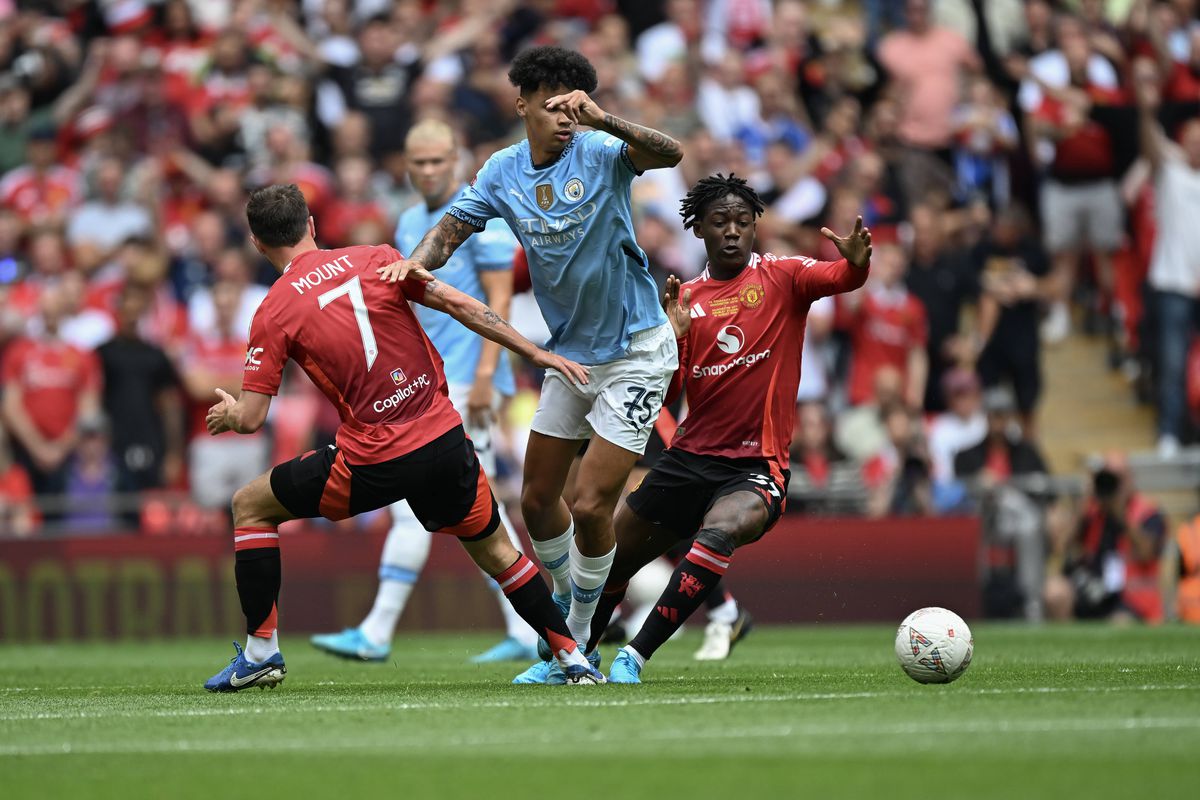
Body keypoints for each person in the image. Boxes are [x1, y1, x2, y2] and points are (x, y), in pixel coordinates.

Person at [202, 184, 602, 691]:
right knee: (501, 553)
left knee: (251, 506)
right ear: (311, 225)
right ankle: (574, 659)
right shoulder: (378, 259)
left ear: (257, 244)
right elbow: (459, 303)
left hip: (373, 461)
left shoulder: (273, 310)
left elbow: (252, 418)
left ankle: (262, 652)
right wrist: (536, 353)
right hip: (444, 440)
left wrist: (229, 414)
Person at [377, 46, 684, 683]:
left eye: (574, 105)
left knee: (591, 506)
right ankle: (572, 609)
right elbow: (450, 230)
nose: (565, 117)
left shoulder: (601, 151)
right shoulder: (501, 171)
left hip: (636, 349)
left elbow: (670, 153)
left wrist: (605, 118)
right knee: (538, 501)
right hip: (569, 353)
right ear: (522, 105)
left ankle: (578, 639)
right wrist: (414, 264)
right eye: (552, 105)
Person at [584, 174, 871, 683]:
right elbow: (668, 395)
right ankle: (573, 657)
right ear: (698, 230)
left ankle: (635, 656)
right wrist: (671, 338)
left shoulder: (784, 276)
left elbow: (841, 278)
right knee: (611, 561)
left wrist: (856, 263)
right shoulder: (686, 299)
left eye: (742, 221)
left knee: (719, 530)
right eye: (720, 222)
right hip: (688, 459)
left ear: (755, 225)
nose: (733, 231)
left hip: (755, 466)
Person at [310, 119, 539, 665]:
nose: (430, 170)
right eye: (421, 162)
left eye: (439, 160)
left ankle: (378, 631)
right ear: (406, 166)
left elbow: (500, 299)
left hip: (467, 382)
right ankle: (524, 625)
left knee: (427, 505)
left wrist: (486, 378)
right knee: (474, 505)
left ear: (456, 159)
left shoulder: (478, 216)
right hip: (429, 384)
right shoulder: (411, 220)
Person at [1134, 58, 1200, 457]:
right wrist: (1147, 112)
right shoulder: (1170, 174)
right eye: (1191, 140)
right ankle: (1169, 433)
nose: (1196, 146)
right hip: (1174, 285)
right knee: (1172, 363)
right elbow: (1150, 146)